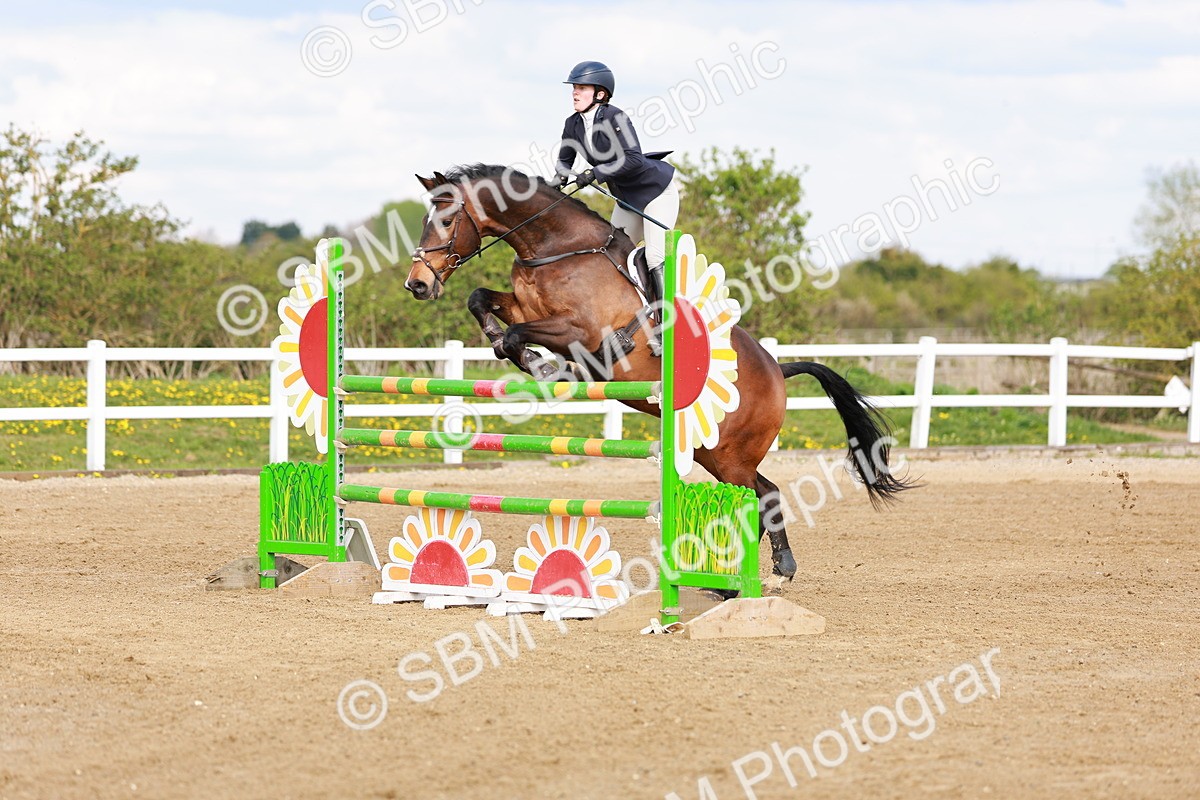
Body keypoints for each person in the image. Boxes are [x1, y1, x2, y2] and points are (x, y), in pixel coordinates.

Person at [553, 61, 680, 306]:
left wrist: (595, 173)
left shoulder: (615, 117)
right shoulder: (573, 124)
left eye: (581, 87)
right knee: (609, 256)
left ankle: (666, 322)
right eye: (574, 88)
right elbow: (564, 161)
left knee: (654, 256)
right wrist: (556, 182)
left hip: (655, 194)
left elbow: (633, 158)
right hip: (626, 200)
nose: (575, 93)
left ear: (600, 94)